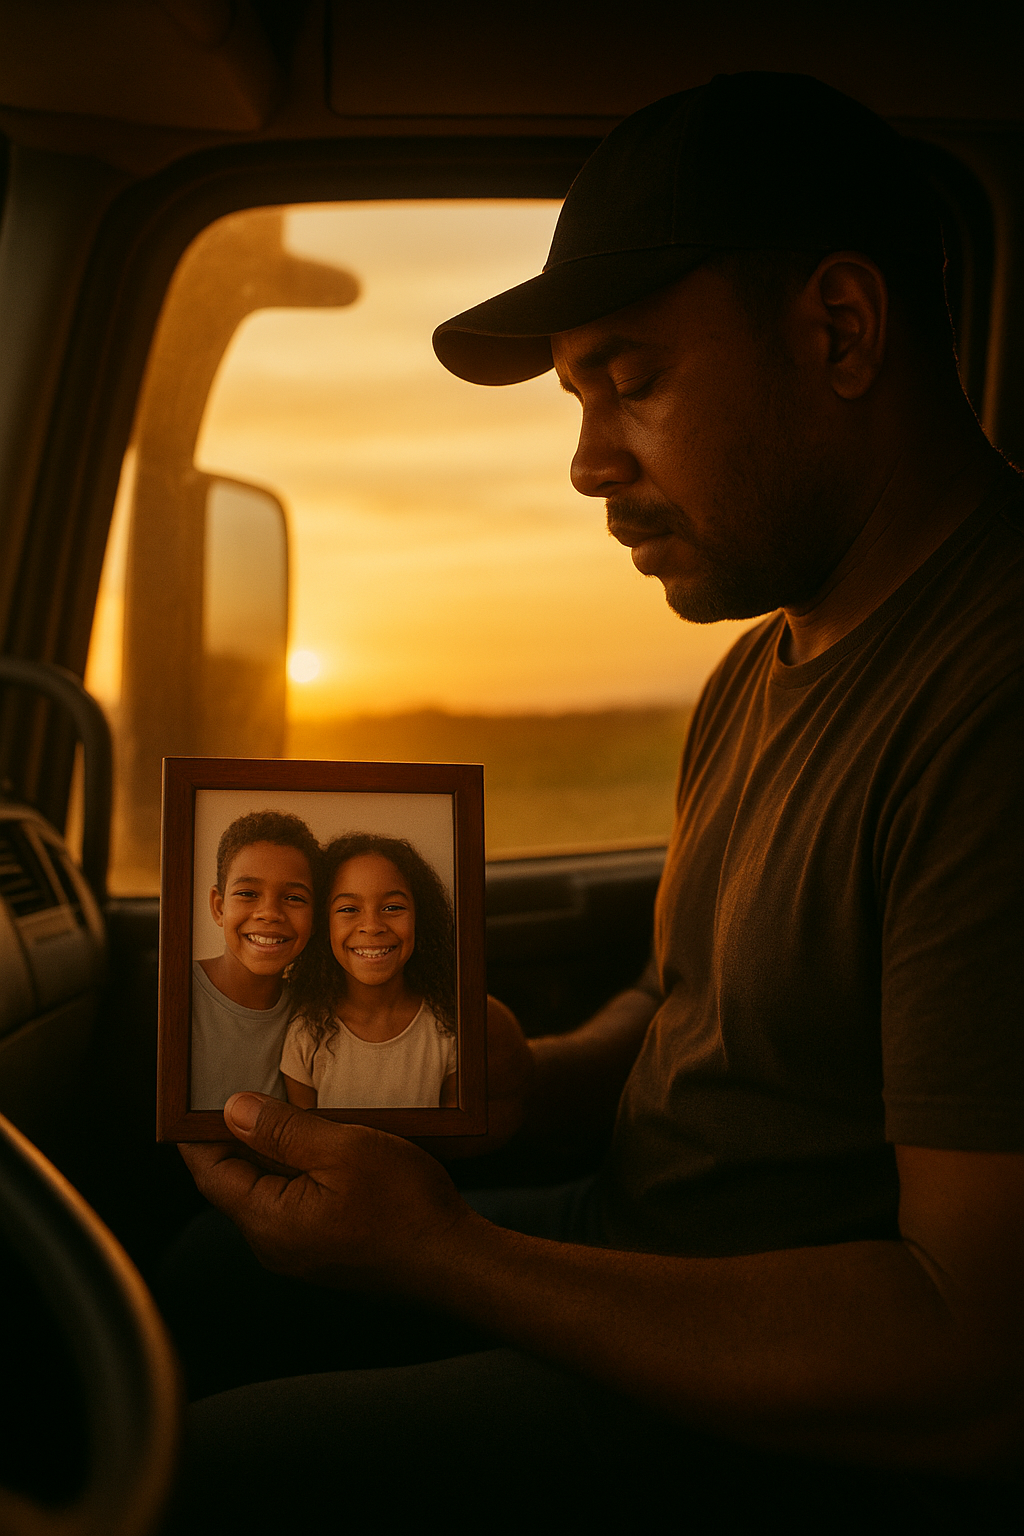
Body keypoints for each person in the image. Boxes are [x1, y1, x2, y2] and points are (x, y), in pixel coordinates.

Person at [168, 73, 1023, 1530]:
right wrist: (513, 1087)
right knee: (165, 1292)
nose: (587, 464)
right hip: (639, 1255)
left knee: (187, 1484)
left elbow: (974, 1360)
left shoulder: (991, 697)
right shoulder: (764, 664)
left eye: (634, 380)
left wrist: (446, 1256)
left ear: (840, 330)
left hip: (802, 1422)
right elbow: (680, 1012)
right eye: (578, 398)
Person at [279, 833, 458, 1109]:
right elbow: (306, 1144)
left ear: (420, 917)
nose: (372, 926)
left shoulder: (448, 1026)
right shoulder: (307, 1034)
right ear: (323, 924)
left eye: (392, 907)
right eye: (349, 908)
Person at [190, 810, 318, 1110]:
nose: (270, 913)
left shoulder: (313, 1012)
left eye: (294, 898)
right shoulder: (176, 993)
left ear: (315, 918)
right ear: (219, 907)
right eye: (248, 893)